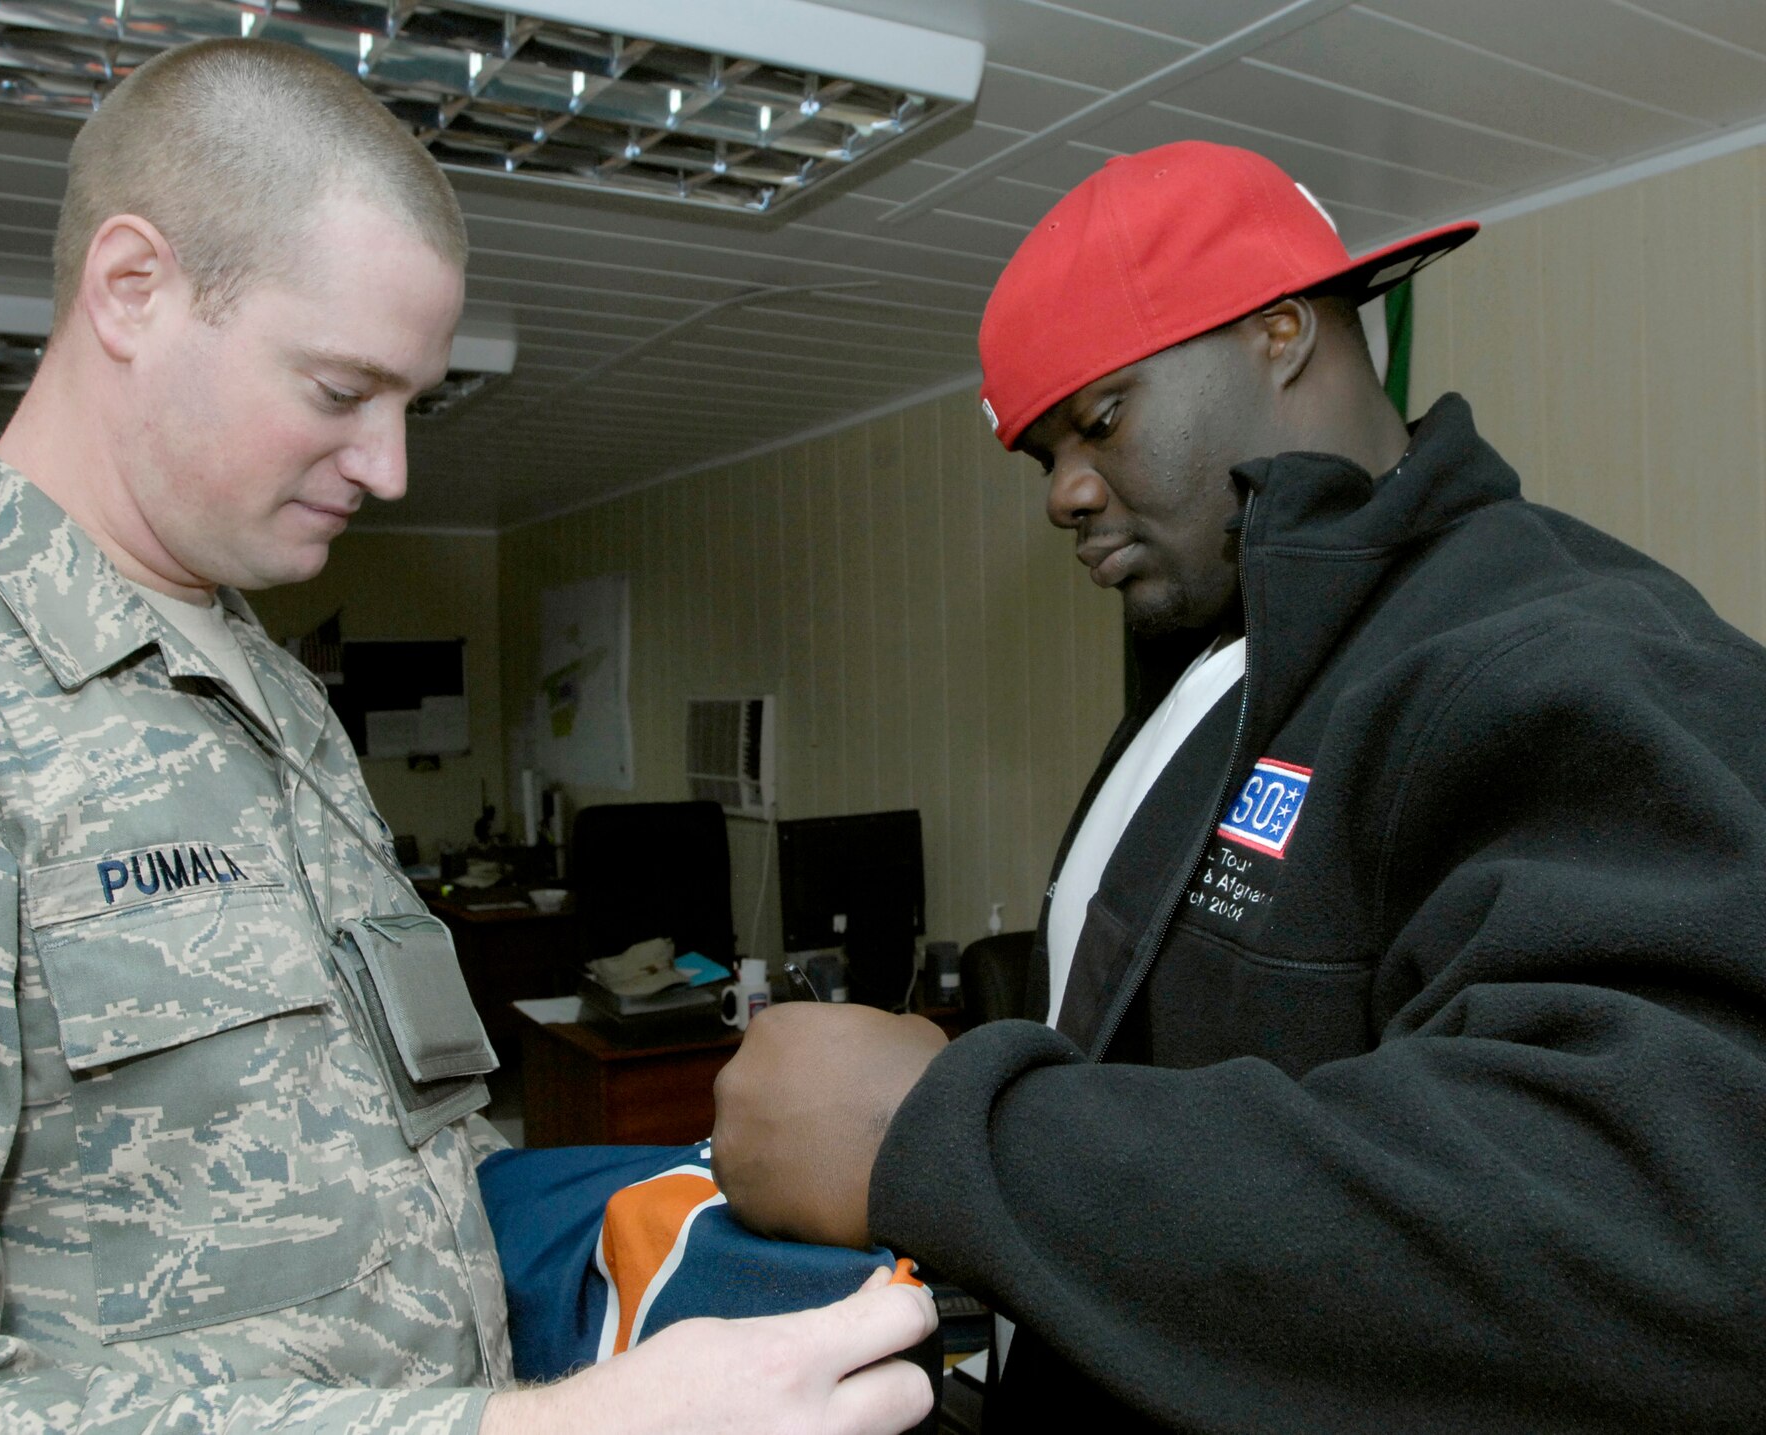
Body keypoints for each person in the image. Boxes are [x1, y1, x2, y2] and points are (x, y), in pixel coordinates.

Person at [0, 36, 934, 1435]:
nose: (389, 469)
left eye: (411, 405)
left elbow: (374, 1171)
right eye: (338, 392)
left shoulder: (274, 699)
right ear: (133, 291)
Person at [711, 140, 1766, 1430]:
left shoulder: (1554, 646)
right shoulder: (1230, 663)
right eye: (1042, 455)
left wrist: (940, 1139)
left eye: (1099, 421)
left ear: (1279, 332)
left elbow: (1675, 1218)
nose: (1066, 494)